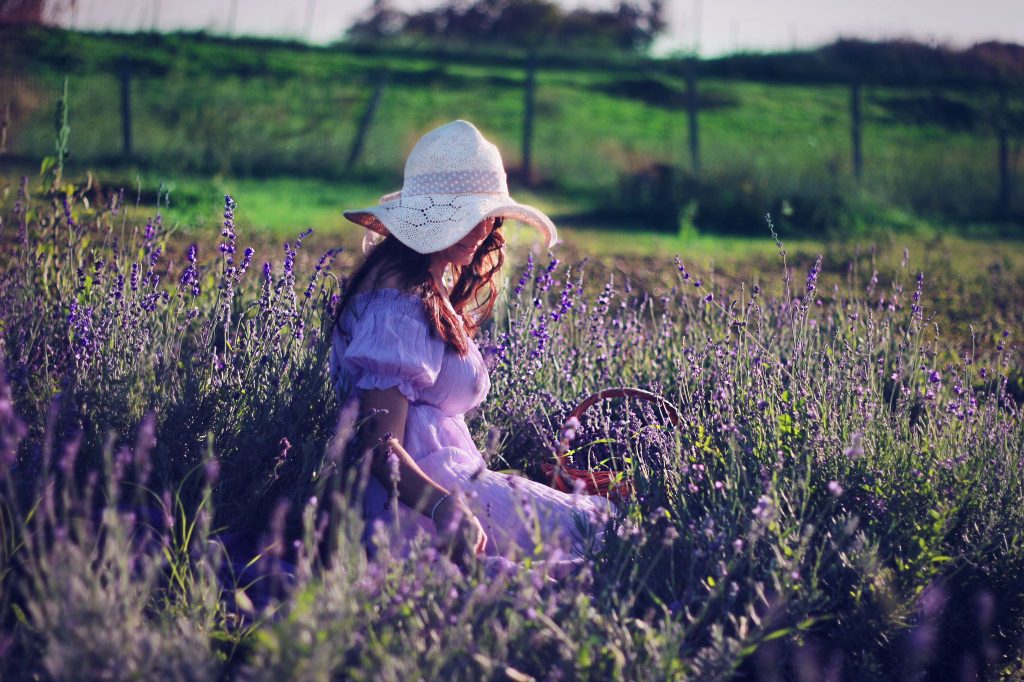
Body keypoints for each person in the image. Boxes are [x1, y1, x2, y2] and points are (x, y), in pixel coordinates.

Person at [329, 120, 618, 581]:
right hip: (419, 505)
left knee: (602, 529)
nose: (482, 229)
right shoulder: (397, 301)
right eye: (460, 213)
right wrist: (445, 509)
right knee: (603, 533)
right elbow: (378, 443)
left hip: (443, 487)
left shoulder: (418, 281)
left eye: (486, 214)